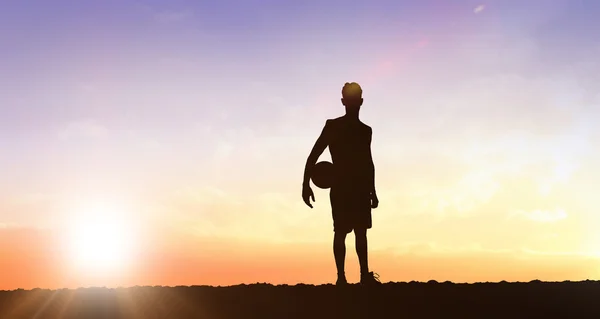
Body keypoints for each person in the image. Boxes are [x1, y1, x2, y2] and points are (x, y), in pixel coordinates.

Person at [302, 82, 381, 286]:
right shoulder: (333, 126)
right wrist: (305, 184)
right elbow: (314, 154)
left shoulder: (365, 131)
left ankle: (360, 276)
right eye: (352, 100)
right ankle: (343, 277)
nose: (353, 103)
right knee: (343, 232)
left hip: (358, 187)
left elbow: (368, 161)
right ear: (345, 102)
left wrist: (373, 191)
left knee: (357, 232)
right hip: (343, 186)